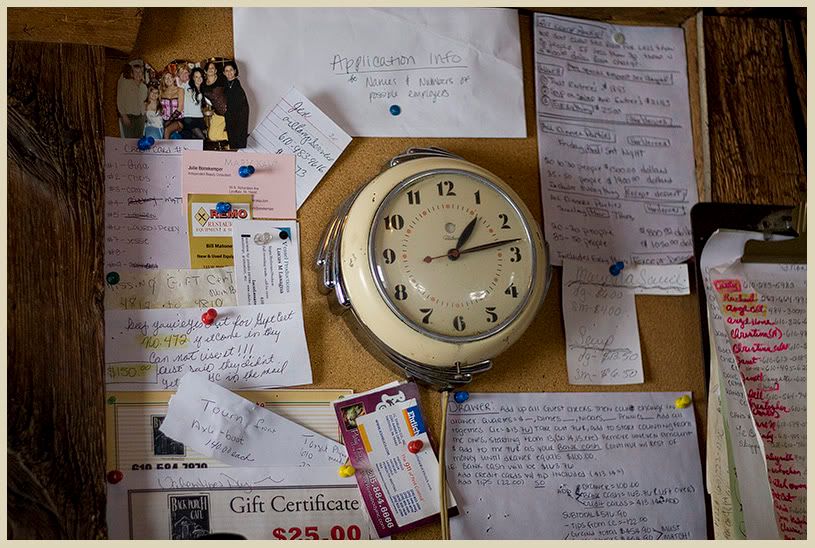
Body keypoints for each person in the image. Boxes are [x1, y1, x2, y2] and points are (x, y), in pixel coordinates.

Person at [201, 60, 229, 149]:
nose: (210, 69)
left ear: (216, 70)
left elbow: (231, 92)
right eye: (208, 68)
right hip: (218, 113)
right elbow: (205, 101)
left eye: (212, 68)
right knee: (212, 136)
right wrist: (206, 110)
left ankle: (236, 137)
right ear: (205, 71)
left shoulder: (222, 79)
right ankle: (236, 135)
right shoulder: (203, 85)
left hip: (230, 111)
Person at [117, 59, 147, 138]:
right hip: (129, 116)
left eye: (140, 72)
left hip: (141, 117)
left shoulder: (144, 87)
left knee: (138, 140)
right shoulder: (125, 84)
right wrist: (124, 115)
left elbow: (146, 102)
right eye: (136, 72)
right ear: (132, 73)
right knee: (129, 141)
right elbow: (120, 100)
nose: (138, 74)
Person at [223, 60, 250, 150]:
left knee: (240, 139)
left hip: (240, 115)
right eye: (226, 71)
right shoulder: (224, 85)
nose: (229, 72)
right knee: (232, 140)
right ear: (224, 73)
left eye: (231, 70)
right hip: (229, 115)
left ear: (235, 71)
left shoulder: (240, 83)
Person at [182, 67, 207, 139]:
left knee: (196, 141)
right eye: (196, 77)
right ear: (192, 78)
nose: (199, 79)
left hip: (199, 117)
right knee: (202, 139)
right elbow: (179, 81)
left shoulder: (202, 88)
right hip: (189, 118)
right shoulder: (187, 86)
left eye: (200, 76)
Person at [159, 70, 184, 139]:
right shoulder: (161, 91)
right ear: (163, 80)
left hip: (178, 119)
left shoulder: (180, 90)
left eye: (170, 77)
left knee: (167, 130)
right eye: (166, 78)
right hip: (164, 119)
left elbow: (180, 108)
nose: (168, 79)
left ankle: (165, 149)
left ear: (173, 78)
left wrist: (169, 121)